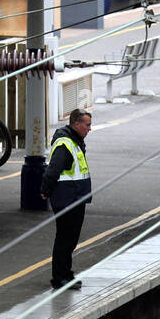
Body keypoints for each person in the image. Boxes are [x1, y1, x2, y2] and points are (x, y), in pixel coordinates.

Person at [41, 109, 93, 291]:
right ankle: (60, 277)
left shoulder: (74, 141)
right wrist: (45, 191)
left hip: (75, 197)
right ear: (76, 124)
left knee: (70, 239)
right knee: (65, 238)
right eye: (87, 125)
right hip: (66, 198)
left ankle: (66, 274)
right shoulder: (65, 144)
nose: (89, 129)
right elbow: (53, 169)